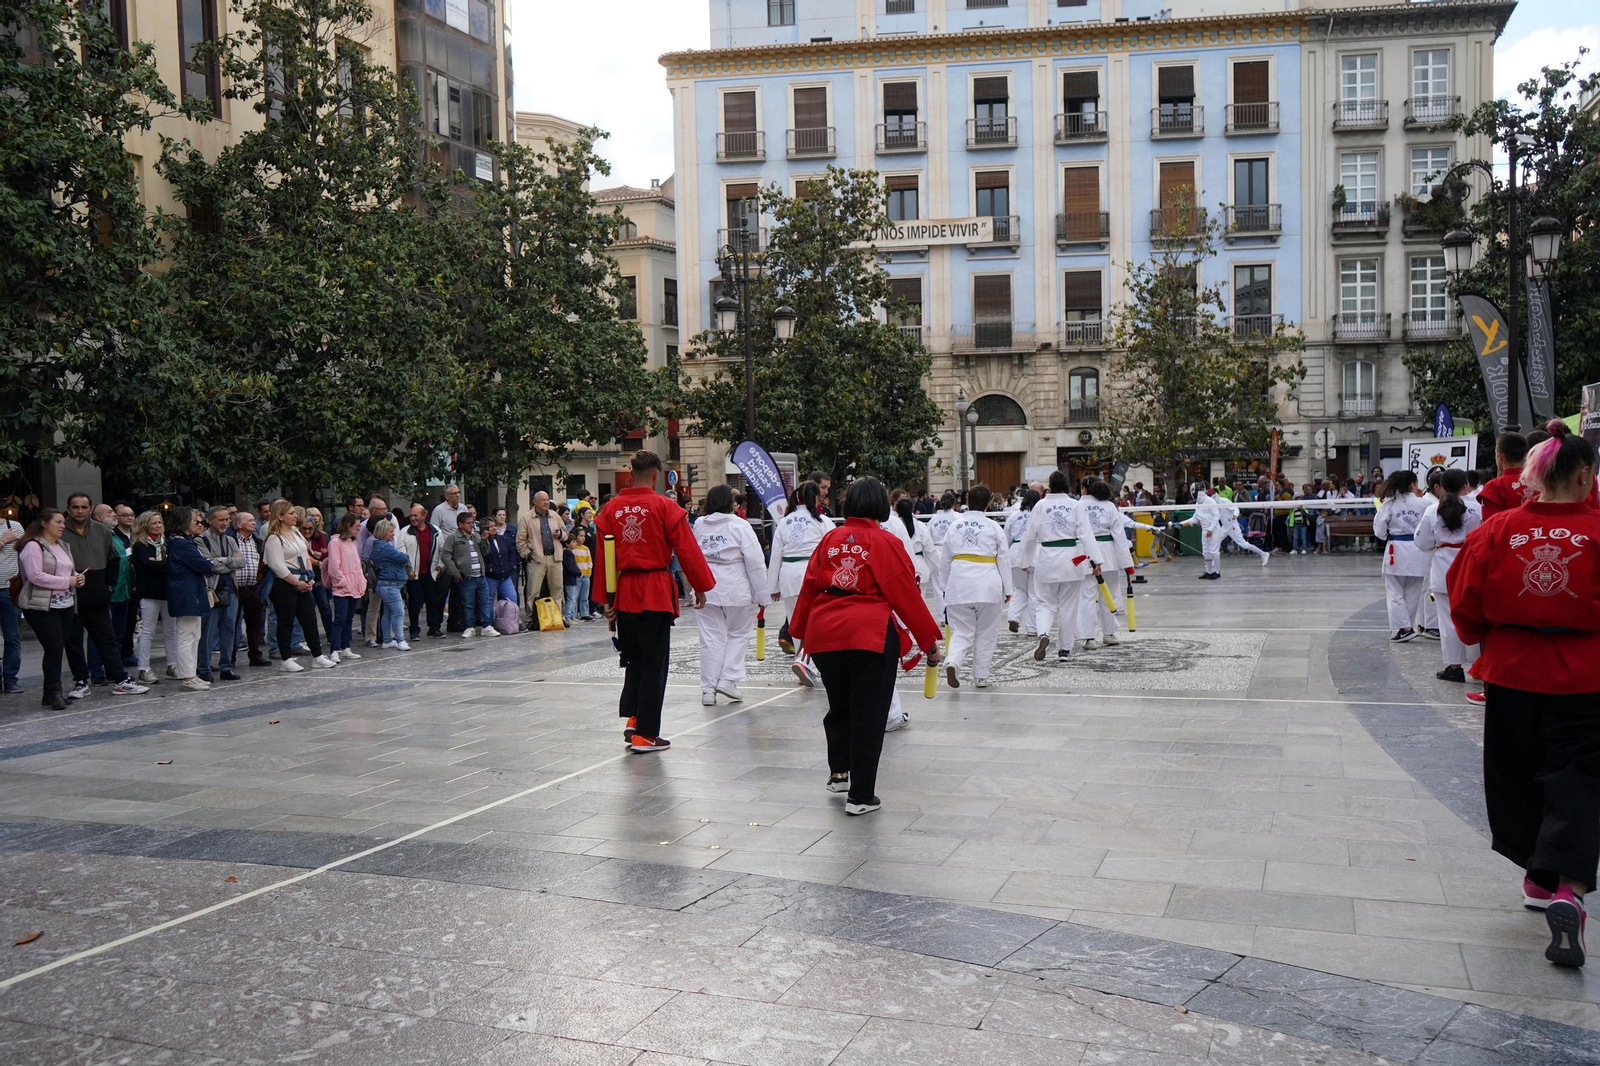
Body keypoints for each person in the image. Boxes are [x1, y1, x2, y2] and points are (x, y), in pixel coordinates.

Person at [1448, 421, 1599, 968]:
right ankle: (1568, 892)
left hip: (1511, 673)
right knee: (1577, 780)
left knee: (1517, 774)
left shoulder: (1498, 529)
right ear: (1585, 475)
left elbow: (1464, 599)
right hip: (1585, 674)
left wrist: (1484, 637)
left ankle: (1537, 879)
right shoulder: (1598, 530)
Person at [790, 476, 942, 815]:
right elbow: (905, 595)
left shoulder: (831, 538)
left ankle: (839, 772)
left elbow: (810, 585)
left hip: (825, 630)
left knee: (840, 705)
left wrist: (798, 632)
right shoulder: (885, 541)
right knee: (869, 714)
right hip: (868, 632)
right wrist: (929, 640)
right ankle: (860, 796)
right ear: (881, 505)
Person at [593, 450, 715, 753]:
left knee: (633, 660)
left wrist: (605, 601)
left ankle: (633, 718)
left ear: (630, 472)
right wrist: (700, 586)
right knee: (654, 664)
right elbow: (686, 550)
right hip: (655, 589)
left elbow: (602, 558)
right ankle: (645, 734)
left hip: (624, 590)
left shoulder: (610, 509)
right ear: (656, 475)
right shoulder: (665, 506)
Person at [16, 509, 105, 708]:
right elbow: (35, 576)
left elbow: (69, 570)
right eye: (58, 522)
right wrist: (68, 581)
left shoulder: (63, 545)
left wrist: (77, 578)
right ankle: (55, 692)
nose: (63, 526)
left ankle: (50, 692)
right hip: (41, 606)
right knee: (54, 647)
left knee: (56, 649)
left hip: (65, 603)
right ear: (44, 524)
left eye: (63, 522)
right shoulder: (33, 546)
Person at [693, 484, 766, 706]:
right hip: (735, 587)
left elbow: (692, 555)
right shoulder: (740, 525)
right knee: (738, 633)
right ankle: (728, 678)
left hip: (706, 587)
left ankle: (708, 690)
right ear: (729, 503)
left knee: (710, 638)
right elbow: (755, 562)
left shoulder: (699, 525)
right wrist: (762, 595)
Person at [1019, 471, 1104, 662]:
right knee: (1068, 607)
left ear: (1049, 486)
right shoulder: (1075, 505)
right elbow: (1086, 535)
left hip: (1046, 559)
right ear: (1066, 485)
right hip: (1071, 561)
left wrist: (1024, 561)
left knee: (1045, 603)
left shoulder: (1040, 505)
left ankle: (1043, 634)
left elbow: (1029, 536)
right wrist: (1096, 560)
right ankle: (1064, 650)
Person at [62, 494, 140, 694]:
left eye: (84, 507)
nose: (80, 511)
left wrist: (109, 588)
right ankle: (81, 681)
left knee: (106, 638)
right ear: (69, 509)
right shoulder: (60, 530)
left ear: (90, 509)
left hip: (98, 592)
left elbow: (114, 559)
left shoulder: (102, 531)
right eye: (75, 507)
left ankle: (120, 679)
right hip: (70, 593)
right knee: (74, 641)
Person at [934, 484, 1011, 688]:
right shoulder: (993, 527)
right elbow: (1003, 558)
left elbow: (945, 559)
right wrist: (1009, 589)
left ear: (966, 500)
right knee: (986, 632)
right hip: (987, 583)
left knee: (962, 632)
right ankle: (981, 676)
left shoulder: (955, 526)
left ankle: (953, 661)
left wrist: (944, 586)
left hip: (959, 583)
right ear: (988, 504)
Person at [1415, 469, 1482, 684]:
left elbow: (1422, 542)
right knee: (1473, 618)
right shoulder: (1478, 509)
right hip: (1471, 565)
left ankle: (1454, 667)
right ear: (1465, 485)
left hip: (1444, 568)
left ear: (1441, 487)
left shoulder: (1433, 510)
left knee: (1448, 620)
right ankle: (1478, 665)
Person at [767, 480, 829, 686]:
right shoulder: (822, 521)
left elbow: (775, 556)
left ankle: (802, 663)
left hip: (788, 575)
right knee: (814, 622)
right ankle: (806, 663)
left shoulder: (785, 521)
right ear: (815, 498)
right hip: (812, 575)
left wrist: (773, 587)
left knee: (795, 622)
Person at [263, 500, 336, 671]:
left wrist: (309, 579)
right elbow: (277, 566)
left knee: (309, 619)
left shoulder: (296, 533)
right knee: (285, 621)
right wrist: (296, 583)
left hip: (304, 581)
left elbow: (306, 556)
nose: (296, 515)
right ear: (280, 517)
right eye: (291, 513)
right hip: (284, 584)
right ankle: (286, 659)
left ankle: (317, 656)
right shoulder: (274, 538)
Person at [165, 507, 220, 691]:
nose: (200, 524)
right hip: (185, 592)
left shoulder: (184, 541)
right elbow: (204, 565)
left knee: (194, 634)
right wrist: (211, 562)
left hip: (191, 590)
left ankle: (191, 674)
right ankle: (188, 676)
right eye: (196, 521)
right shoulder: (181, 543)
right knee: (187, 634)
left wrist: (210, 562)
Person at [1373, 470, 1430, 642]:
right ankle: (1407, 627)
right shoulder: (1424, 504)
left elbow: (1379, 530)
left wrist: (1388, 536)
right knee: (1413, 592)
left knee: (1394, 592)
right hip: (1419, 550)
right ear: (1412, 484)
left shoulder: (1390, 504)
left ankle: (1404, 628)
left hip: (1396, 550)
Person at [1077, 480, 1132, 650]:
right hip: (1108, 554)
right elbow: (1120, 536)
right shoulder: (1109, 506)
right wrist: (1126, 562)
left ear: (1084, 489)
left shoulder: (1077, 505)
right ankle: (1109, 633)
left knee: (1086, 596)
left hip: (1084, 554)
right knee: (1110, 594)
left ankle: (1089, 637)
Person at [197, 505, 246, 682]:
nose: (226, 522)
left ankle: (226, 667)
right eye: (221, 519)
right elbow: (208, 564)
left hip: (231, 589)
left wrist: (223, 560)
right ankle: (204, 667)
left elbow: (241, 561)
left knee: (229, 630)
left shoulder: (230, 539)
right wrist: (227, 562)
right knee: (208, 631)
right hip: (212, 590)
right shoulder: (201, 540)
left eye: (227, 519)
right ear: (210, 521)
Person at [441, 512, 498, 638]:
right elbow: (446, 555)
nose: (472, 525)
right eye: (469, 523)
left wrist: (484, 540)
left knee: (484, 602)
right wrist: (455, 571)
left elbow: (485, 552)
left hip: (480, 575)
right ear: (460, 524)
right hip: (466, 576)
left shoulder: (475, 536)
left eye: (473, 523)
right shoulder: (453, 538)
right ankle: (469, 626)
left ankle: (486, 626)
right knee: (468, 604)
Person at [517, 491, 566, 623]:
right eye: (543, 500)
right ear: (535, 502)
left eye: (547, 499)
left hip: (555, 558)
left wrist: (560, 534)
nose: (546, 502)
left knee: (557, 590)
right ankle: (530, 619)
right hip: (537, 559)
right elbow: (520, 541)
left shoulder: (555, 516)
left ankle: (557, 618)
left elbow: (566, 534)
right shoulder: (527, 518)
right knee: (533, 591)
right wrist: (528, 555)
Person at [324, 512, 367, 662]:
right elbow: (334, 566)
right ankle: (334, 649)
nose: (359, 529)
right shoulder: (335, 543)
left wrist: (361, 580)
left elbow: (357, 565)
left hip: (354, 586)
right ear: (348, 526)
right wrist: (342, 581)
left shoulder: (352, 542)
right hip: (343, 587)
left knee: (349, 619)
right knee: (340, 619)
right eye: (356, 526)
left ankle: (345, 647)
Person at [230, 511, 269, 667]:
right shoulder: (230, 540)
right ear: (239, 524)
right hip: (235, 587)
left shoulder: (258, 542)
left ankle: (255, 654)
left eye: (254, 520)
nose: (254, 522)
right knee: (231, 624)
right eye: (250, 520)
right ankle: (229, 657)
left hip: (253, 587)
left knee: (254, 622)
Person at [368, 518, 412, 650]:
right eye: (391, 532)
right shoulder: (385, 547)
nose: (393, 534)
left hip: (384, 585)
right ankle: (400, 640)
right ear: (383, 532)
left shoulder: (378, 546)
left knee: (387, 613)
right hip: (389, 585)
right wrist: (404, 562)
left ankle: (387, 640)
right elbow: (404, 558)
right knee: (398, 612)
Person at [1004, 489, 1040, 637]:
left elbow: (1006, 538)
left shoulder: (1014, 516)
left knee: (1019, 589)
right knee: (1034, 592)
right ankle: (1032, 627)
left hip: (1015, 553)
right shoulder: (1039, 516)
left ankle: (1013, 617)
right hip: (1036, 552)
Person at [926, 491, 959, 628]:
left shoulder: (933, 520)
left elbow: (927, 538)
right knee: (954, 584)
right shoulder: (957, 517)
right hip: (952, 552)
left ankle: (941, 616)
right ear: (953, 504)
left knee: (938, 586)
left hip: (936, 551)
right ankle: (954, 614)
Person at [0, 510, 24, 694]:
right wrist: (2, 541)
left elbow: (26, 554)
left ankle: (10, 679)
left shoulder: (14, 527)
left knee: (12, 637)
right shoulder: (8, 534)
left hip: (9, 589)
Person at [482, 514, 520, 623]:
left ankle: (513, 622)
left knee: (512, 598)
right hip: (491, 576)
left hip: (505, 575)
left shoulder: (503, 539)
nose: (494, 528)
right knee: (489, 601)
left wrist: (510, 565)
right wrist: (489, 568)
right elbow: (482, 557)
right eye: (490, 526)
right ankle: (489, 624)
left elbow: (511, 553)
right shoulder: (482, 542)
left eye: (494, 526)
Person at [567, 529, 594, 622]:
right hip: (577, 576)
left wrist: (588, 572)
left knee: (584, 596)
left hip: (585, 575)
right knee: (575, 596)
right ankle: (573, 614)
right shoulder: (573, 550)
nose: (583, 538)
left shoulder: (586, 549)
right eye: (581, 536)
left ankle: (584, 613)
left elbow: (589, 561)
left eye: (584, 536)